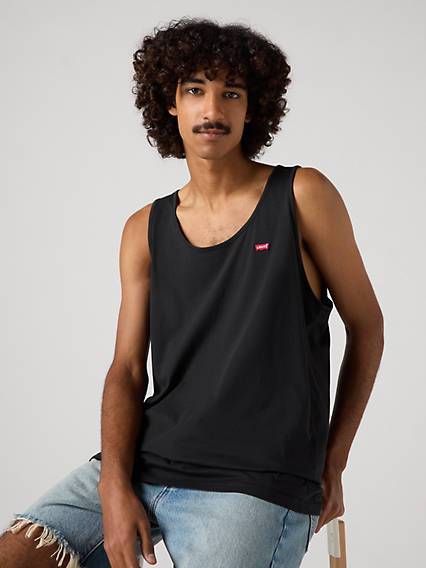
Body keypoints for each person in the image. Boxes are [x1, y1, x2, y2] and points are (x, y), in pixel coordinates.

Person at [0, 16, 384, 568]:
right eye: (195, 90)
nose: (212, 109)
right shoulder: (143, 229)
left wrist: (334, 459)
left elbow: (367, 326)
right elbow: (126, 370)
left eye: (232, 93)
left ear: (252, 109)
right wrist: (113, 484)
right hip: (149, 458)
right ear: (171, 103)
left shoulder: (302, 195)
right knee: (17, 555)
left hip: (256, 481)